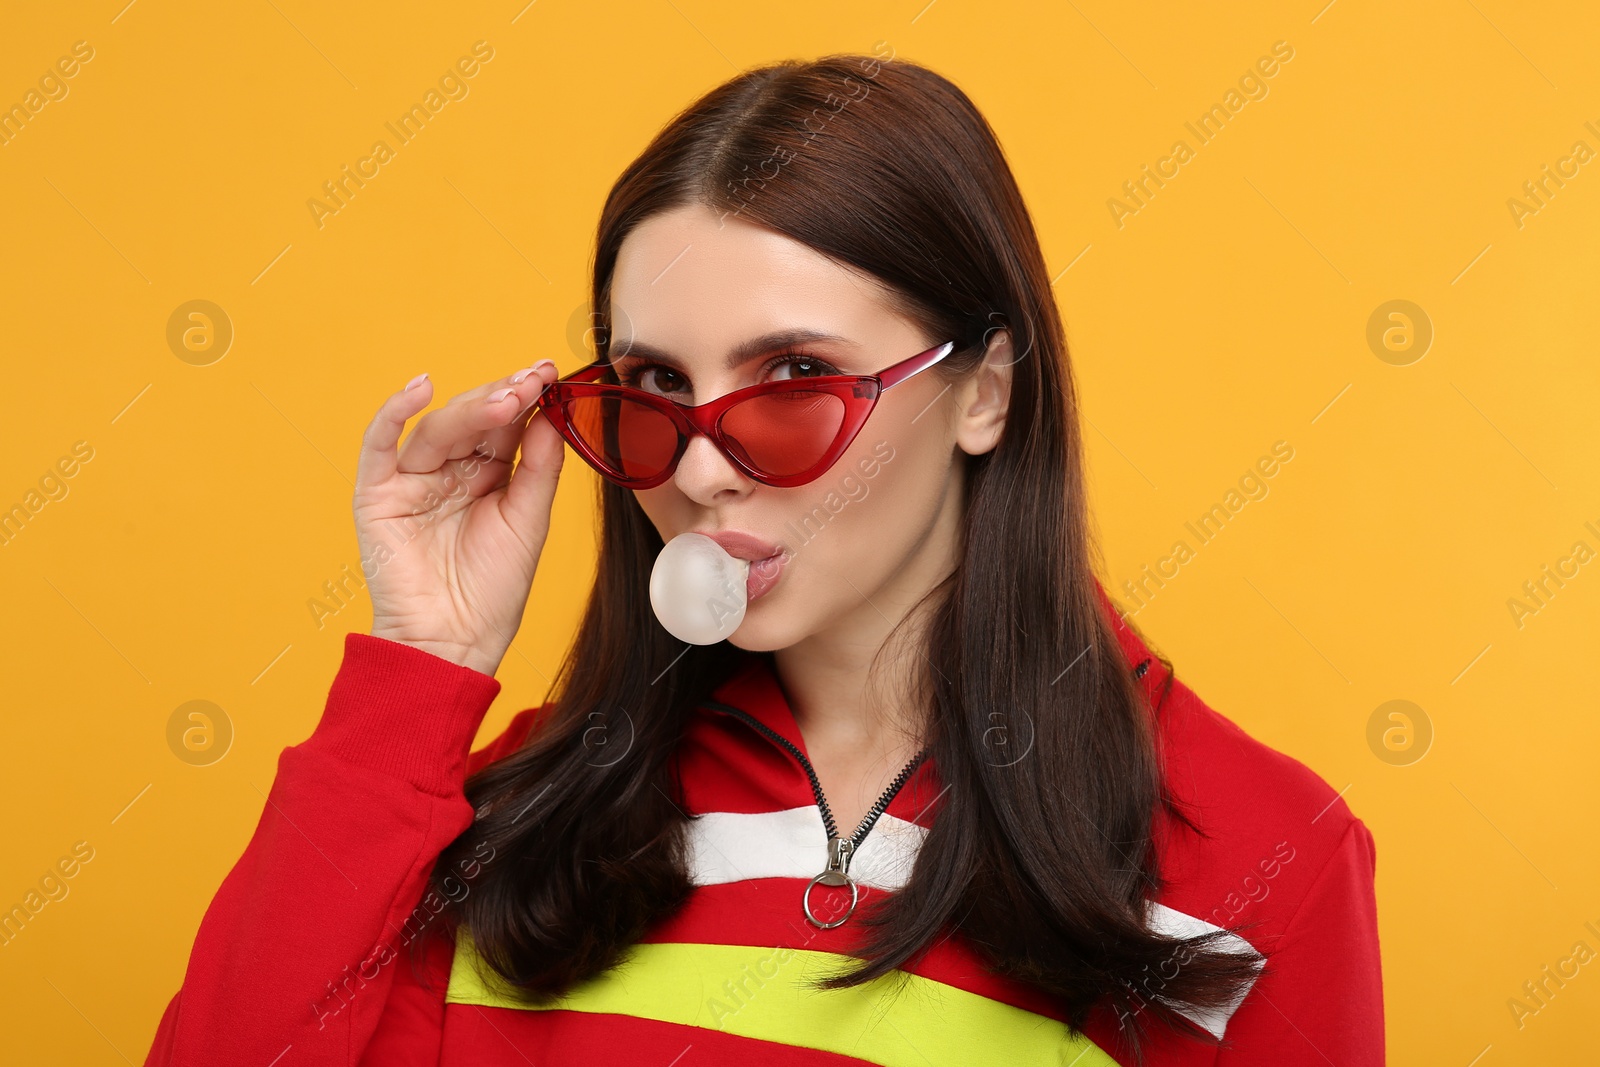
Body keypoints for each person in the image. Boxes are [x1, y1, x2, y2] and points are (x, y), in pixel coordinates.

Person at [143, 52, 1382, 1066]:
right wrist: (418, 668)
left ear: (984, 392)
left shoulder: (1261, 856)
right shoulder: (518, 823)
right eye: (654, 386)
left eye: (793, 375)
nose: (698, 467)